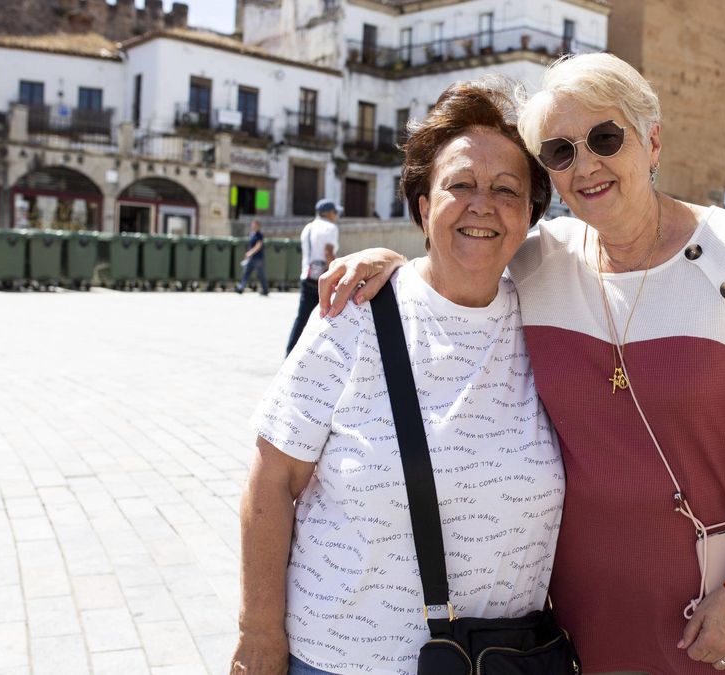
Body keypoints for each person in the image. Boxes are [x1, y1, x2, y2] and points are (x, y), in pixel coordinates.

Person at [319, 52, 725, 674]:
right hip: (582, 617)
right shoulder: (544, 260)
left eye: (605, 138)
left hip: (717, 600)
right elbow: (463, 249)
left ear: (652, 141)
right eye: (560, 152)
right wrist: (389, 261)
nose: (585, 164)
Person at [231, 81, 562, 675]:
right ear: (422, 206)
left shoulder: (550, 320)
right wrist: (258, 636)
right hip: (340, 661)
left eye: (506, 190)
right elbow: (271, 481)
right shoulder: (353, 312)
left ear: (530, 216)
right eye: (459, 185)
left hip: (501, 661)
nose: (481, 203)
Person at [285, 200, 340, 355]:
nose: (336, 216)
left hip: (307, 275)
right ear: (329, 213)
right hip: (323, 279)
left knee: (302, 318)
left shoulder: (307, 228)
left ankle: (290, 353)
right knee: (329, 318)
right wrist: (335, 274)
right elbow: (329, 251)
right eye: (335, 212)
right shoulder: (330, 228)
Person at [235, 219, 269, 295]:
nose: (253, 226)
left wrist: (250, 253)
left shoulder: (259, 235)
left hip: (258, 259)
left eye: (255, 225)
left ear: (258, 226)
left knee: (261, 275)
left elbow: (258, 246)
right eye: (253, 225)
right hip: (251, 258)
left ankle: (265, 290)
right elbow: (250, 246)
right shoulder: (252, 234)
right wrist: (247, 256)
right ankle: (241, 287)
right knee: (246, 273)